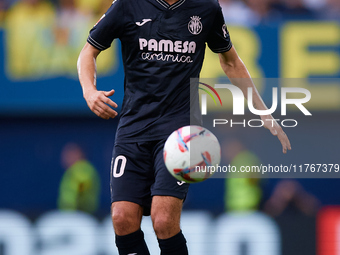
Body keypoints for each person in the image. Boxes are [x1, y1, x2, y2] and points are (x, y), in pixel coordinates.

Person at [77, 0, 291, 254]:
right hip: (133, 126)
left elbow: (231, 61)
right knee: (122, 218)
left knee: (164, 220)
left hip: (180, 132)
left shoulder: (206, 8)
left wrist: (261, 109)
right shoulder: (127, 5)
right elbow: (88, 51)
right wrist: (89, 91)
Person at [58, 143, 101, 214]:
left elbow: (80, 189)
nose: (64, 158)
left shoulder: (81, 169)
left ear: (78, 154)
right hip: (72, 213)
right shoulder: (73, 170)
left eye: (68, 155)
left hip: (78, 214)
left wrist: (73, 209)